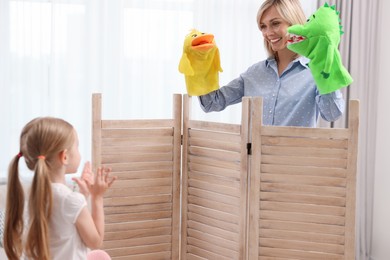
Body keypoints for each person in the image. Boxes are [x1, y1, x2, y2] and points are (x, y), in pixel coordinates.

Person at [198, 0, 345, 127]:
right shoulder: (254, 73)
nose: (268, 33)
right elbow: (211, 103)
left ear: (294, 23)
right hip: (253, 159)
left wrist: (324, 65)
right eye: (263, 26)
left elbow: (332, 114)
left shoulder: (315, 72)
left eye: (275, 24)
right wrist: (199, 63)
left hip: (294, 159)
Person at [4, 117, 117, 260]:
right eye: (77, 146)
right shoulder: (71, 200)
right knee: (100, 255)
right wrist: (97, 197)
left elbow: (62, 229)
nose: (79, 152)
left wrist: (84, 194)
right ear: (64, 156)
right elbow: (96, 241)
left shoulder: (33, 196)